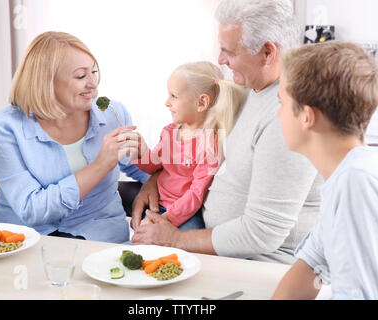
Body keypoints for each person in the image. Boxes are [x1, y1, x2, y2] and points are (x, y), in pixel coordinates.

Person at [131, 0, 323, 265]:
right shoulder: (245, 91)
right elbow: (194, 149)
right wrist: (156, 180)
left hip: (258, 264)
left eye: (229, 51)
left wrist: (173, 239)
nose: (221, 60)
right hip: (212, 249)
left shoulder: (288, 115)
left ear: (267, 53)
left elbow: (262, 233)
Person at [0, 31, 148, 242]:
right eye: (81, 76)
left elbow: (142, 167)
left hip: (100, 236)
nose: (93, 84)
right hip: (26, 239)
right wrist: (100, 165)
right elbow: (31, 209)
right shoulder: (7, 127)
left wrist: (152, 178)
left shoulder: (112, 114)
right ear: (46, 82)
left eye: (93, 72)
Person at [272, 41, 378, 300]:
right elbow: (311, 263)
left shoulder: (357, 183)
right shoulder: (354, 170)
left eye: (282, 102)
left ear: (307, 116)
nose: (278, 114)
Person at [131, 61, 247, 231]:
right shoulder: (169, 131)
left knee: (186, 246)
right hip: (157, 205)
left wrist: (164, 220)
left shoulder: (209, 144)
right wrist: (140, 151)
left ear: (202, 102)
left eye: (174, 96)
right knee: (140, 238)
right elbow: (153, 166)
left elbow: (196, 194)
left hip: (184, 214)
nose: (166, 102)